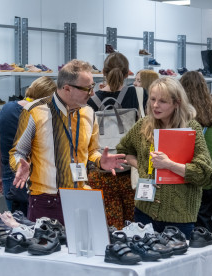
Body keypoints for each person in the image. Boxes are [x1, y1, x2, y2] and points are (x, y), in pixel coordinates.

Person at [9, 59, 126, 225]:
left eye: (93, 86)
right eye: (88, 88)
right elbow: (18, 152)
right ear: (67, 88)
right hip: (46, 200)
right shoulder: (35, 111)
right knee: (45, 250)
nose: (92, 93)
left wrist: (100, 161)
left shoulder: (89, 113)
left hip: (81, 198)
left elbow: (92, 151)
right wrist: (19, 166)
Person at [116, 77, 212, 238]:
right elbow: (123, 150)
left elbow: (206, 175)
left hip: (178, 216)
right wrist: (142, 166)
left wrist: (169, 165)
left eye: (162, 101)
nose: (155, 105)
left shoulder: (191, 129)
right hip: (144, 211)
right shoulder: (143, 125)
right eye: (153, 99)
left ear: (176, 103)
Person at [87, 52, 148, 229]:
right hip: (132, 170)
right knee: (136, 226)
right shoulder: (139, 94)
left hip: (101, 171)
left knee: (109, 229)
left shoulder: (91, 100)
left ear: (103, 72)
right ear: (128, 72)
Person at [0, 76, 57, 215]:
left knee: (16, 224)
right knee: (41, 225)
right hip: (37, 179)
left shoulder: (6, 109)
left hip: (10, 176)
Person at [180, 71, 212, 233]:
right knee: (205, 219)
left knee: (188, 220)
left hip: (187, 175)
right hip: (209, 176)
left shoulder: (183, 118)